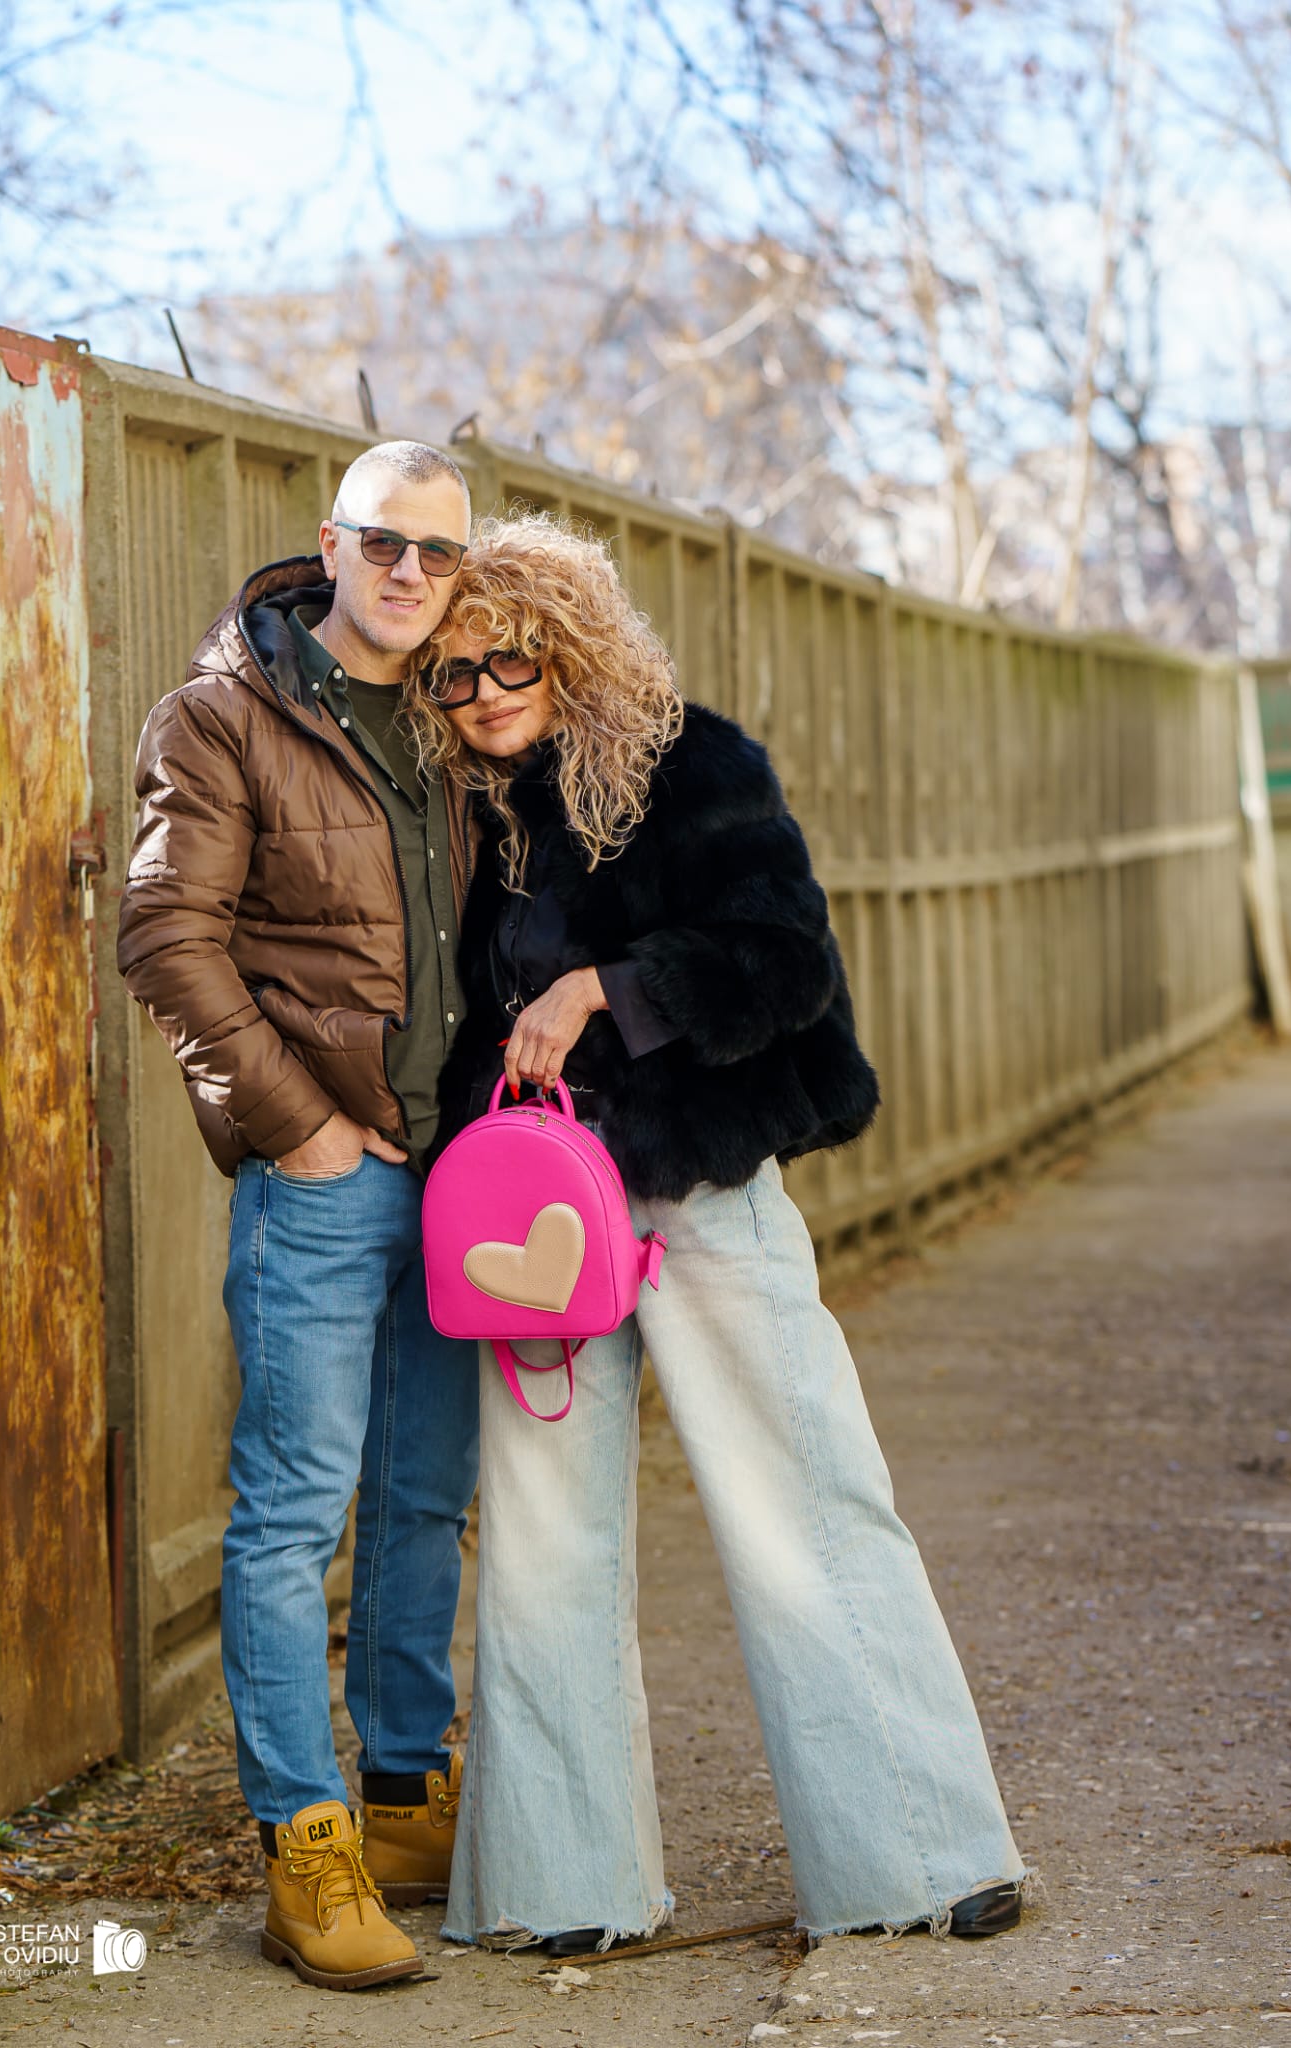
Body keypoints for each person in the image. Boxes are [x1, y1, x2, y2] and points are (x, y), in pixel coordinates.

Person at [406, 513, 1027, 1953]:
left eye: (513, 659)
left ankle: (923, 1857)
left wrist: (609, 990)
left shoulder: (694, 766)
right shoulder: (465, 817)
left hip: (698, 1187)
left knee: (804, 1500)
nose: (485, 693)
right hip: (534, 1221)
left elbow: (786, 962)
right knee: (545, 1544)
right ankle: (559, 1889)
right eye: (454, 672)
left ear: (573, 647)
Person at [116, 441, 482, 1993]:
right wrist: (306, 1132)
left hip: (463, 1185)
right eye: (384, 542)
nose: (410, 574)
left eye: (439, 553)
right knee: (290, 1518)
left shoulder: (469, 713)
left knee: (423, 1499)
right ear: (330, 544)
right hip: (324, 1181)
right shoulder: (221, 716)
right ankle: (303, 1844)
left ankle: (402, 1800)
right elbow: (165, 937)